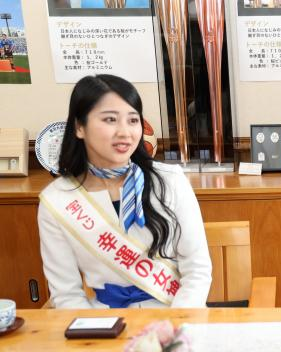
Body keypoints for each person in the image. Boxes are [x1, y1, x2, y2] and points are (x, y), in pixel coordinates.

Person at [38, 74, 211, 309]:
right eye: (110, 119)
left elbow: (197, 270)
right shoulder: (57, 200)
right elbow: (67, 295)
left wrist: (176, 328)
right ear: (79, 127)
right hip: (104, 325)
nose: (125, 132)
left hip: (176, 316)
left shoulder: (170, 181)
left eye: (133, 120)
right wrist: (93, 338)